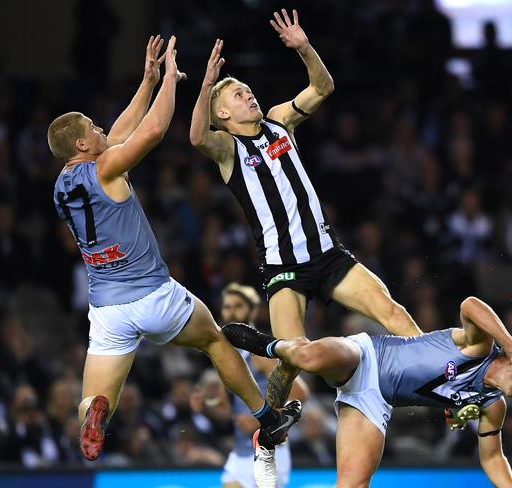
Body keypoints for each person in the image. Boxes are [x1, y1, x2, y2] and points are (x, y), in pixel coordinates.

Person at [47, 35, 300, 476]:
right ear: (82, 146)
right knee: (216, 341)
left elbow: (119, 134)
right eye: (93, 127)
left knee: (96, 396)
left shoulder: (63, 186)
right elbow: (151, 132)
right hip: (153, 294)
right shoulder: (105, 168)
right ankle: (267, 417)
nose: (101, 128)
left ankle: (94, 410)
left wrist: (144, 83)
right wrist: (169, 81)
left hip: (106, 310)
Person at [189, 8, 422, 412]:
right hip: (284, 267)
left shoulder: (280, 122)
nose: (248, 94)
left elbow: (323, 85)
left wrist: (305, 48)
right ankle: (273, 407)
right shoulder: (228, 149)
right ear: (223, 114)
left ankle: (439, 376)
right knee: (295, 356)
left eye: (247, 89)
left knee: (393, 312)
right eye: (237, 95)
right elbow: (196, 138)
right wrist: (207, 83)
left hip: (328, 255)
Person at [223, 296, 512, 487]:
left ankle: (277, 376)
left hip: (374, 401)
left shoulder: (493, 405)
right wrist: (511, 343)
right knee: (307, 356)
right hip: (369, 355)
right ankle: (266, 345)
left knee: (353, 486)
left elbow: (494, 458)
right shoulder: (482, 345)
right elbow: (470, 305)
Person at [218, 283, 309, 488]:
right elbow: (228, 412)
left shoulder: (258, 354)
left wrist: (261, 419)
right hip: (240, 452)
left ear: (253, 310)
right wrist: (205, 407)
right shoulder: (228, 355)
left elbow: (300, 392)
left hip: (268, 451)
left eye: (238, 305)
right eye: (227, 306)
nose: (231, 312)